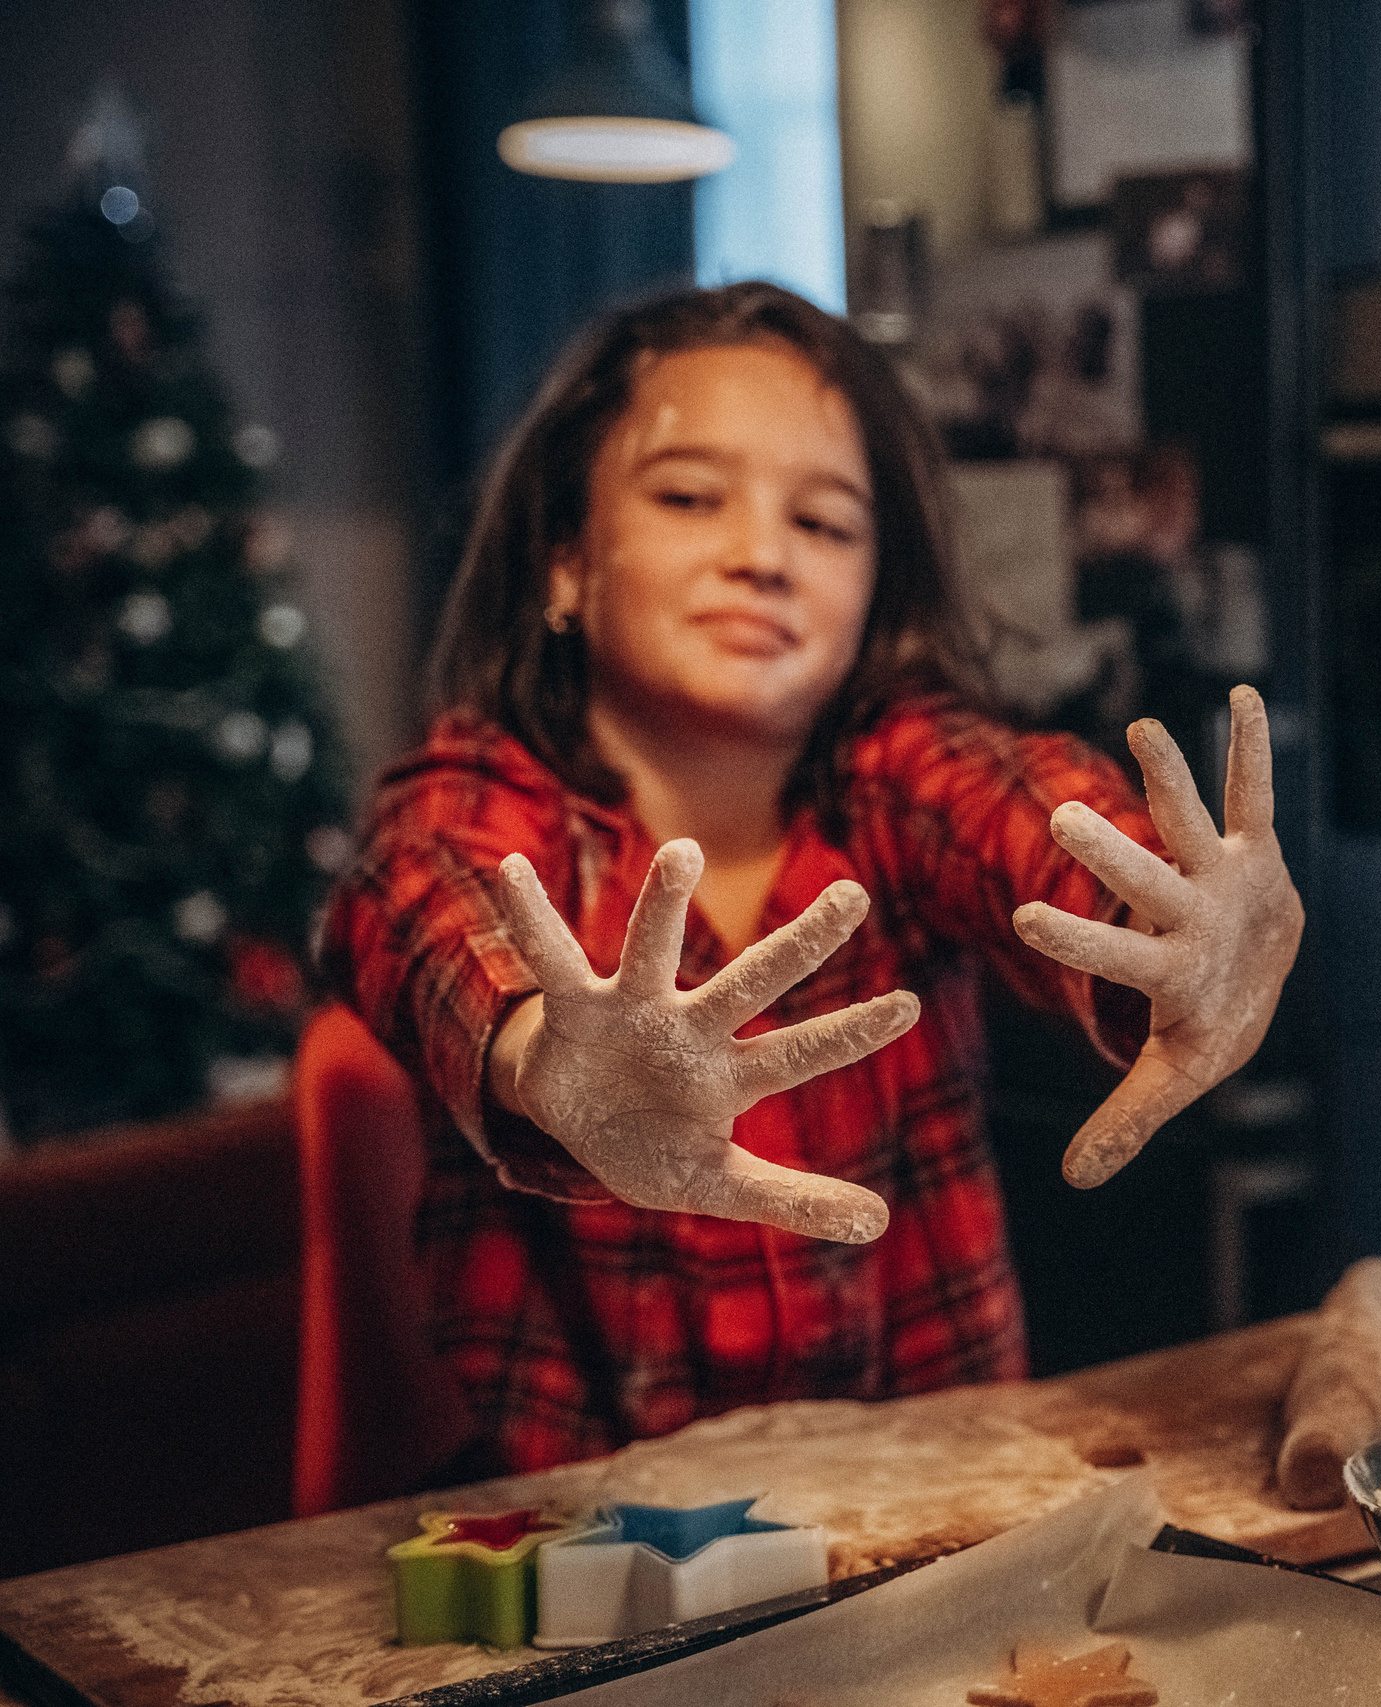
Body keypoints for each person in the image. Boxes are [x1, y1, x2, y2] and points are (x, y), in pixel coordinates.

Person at [322, 283, 1301, 1474]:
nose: (761, 557)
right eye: (689, 497)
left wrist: (1171, 920)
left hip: (929, 1531)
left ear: (874, 595)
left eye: (826, 525)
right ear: (564, 563)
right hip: (593, 1574)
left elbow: (1015, 805)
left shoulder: (894, 782)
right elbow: (418, 897)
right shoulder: (474, 808)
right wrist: (540, 1054)